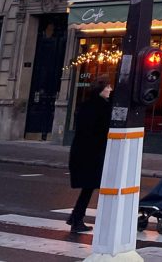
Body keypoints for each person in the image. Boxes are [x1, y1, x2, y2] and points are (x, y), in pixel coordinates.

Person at [67, 79, 112, 233]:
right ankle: (77, 219)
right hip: (93, 153)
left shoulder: (85, 105)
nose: (110, 89)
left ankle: (76, 217)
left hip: (82, 150)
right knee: (93, 186)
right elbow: (104, 130)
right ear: (101, 89)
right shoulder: (103, 107)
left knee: (89, 187)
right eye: (107, 86)